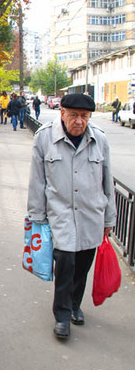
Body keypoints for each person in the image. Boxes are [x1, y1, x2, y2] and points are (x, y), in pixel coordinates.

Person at [27, 93, 116, 340]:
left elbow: (107, 180)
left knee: (82, 267)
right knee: (65, 264)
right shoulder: (44, 137)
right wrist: (37, 217)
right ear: (62, 113)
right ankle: (63, 316)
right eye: (74, 115)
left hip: (91, 216)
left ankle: (75, 305)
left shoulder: (99, 139)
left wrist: (109, 219)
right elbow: (37, 181)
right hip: (61, 215)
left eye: (85, 116)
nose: (79, 121)